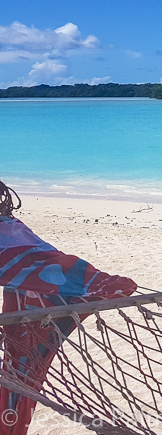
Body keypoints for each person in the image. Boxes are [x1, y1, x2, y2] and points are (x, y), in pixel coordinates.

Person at [0, 180, 136, 435]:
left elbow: (39, 258)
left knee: (18, 376)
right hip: (23, 323)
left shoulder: (10, 231)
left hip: (22, 329)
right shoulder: (12, 230)